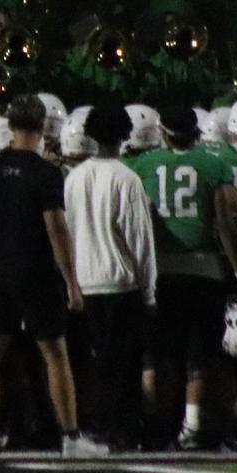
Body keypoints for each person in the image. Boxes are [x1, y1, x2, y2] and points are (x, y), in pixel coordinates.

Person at [0, 93, 92, 458]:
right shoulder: (45, 172)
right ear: (43, 127)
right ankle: (71, 436)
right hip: (33, 271)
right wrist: (71, 282)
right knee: (55, 354)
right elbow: (56, 230)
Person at [125, 103, 237, 449]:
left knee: (163, 355)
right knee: (200, 354)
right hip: (204, 267)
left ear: (163, 132)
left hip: (160, 269)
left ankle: (160, 424)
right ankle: (192, 426)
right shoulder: (213, 163)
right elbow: (223, 221)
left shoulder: (143, 164)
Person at [65, 102, 157, 451]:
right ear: (124, 135)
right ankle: (123, 430)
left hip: (84, 282)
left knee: (93, 364)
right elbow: (140, 240)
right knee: (124, 366)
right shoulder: (127, 179)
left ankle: (96, 426)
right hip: (120, 284)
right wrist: (149, 291)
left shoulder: (74, 178)